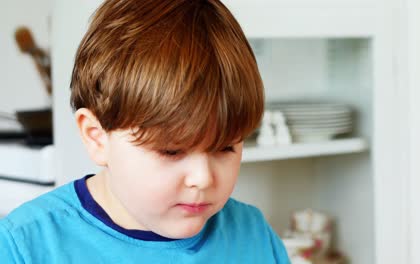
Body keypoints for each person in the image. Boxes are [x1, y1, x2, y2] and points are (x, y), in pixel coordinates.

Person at [0, 0, 290, 263]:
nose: (203, 178)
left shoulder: (254, 235)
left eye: (226, 147)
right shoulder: (23, 247)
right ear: (96, 136)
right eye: (171, 150)